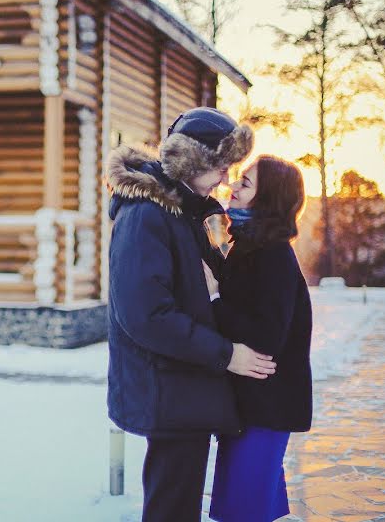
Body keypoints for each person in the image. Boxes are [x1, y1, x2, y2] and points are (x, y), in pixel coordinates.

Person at [106, 106, 277, 522]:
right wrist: (225, 353)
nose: (226, 177)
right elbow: (147, 316)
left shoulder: (190, 210)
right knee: (172, 507)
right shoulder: (146, 216)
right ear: (192, 162)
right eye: (221, 166)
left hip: (185, 386)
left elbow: (204, 284)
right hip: (168, 390)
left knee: (179, 504)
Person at [207, 155, 313, 522]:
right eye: (238, 179)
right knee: (249, 506)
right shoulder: (250, 246)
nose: (233, 186)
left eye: (246, 183)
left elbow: (265, 337)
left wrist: (215, 298)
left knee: (240, 510)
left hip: (266, 408)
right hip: (251, 404)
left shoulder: (273, 255)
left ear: (267, 198)